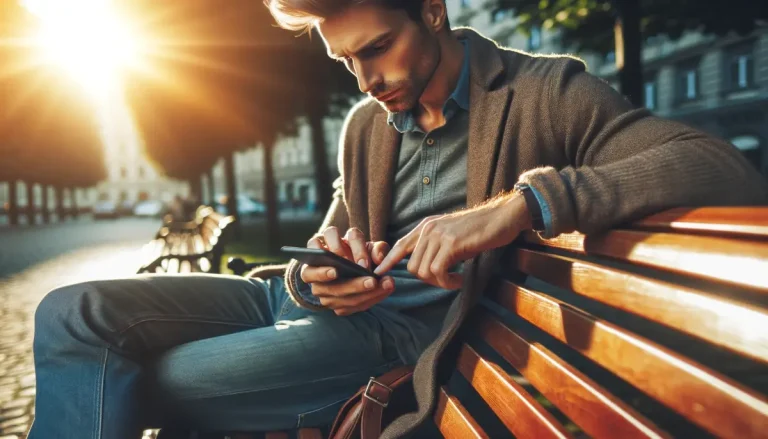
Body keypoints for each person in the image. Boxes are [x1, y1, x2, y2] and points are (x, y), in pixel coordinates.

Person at [28, 1, 767, 438]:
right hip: (291, 305)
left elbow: (716, 163)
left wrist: (520, 207)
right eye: (346, 61)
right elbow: (327, 239)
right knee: (72, 310)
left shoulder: (547, 94)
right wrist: (316, 271)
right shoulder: (365, 125)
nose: (366, 80)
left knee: (149, 379)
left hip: (393, 339)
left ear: (435, 9)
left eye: (378, 49)